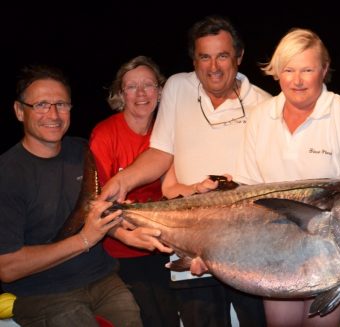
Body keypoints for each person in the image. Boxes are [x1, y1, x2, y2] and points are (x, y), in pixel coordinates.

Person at [99, 16, 270, 326]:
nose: (213, 66)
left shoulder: (266, 105)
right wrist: (122, 180)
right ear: (194, 60)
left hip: (247, 247)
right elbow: (161, 152)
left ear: (239, 56)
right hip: (189, 241)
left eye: (223, 55)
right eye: (204, 56)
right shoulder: (178, 87)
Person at [235, 28, 340, 327]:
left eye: (307, 70)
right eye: (288, 70)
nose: (297, 80)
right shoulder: (260, 117)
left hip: (330, 253)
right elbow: (246, 192)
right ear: (276, 72)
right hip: (273, 249)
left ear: (323, 70)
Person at [0, 64, 143, 326]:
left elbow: (98, 209)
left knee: (132, 314)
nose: (53, 114)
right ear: (20, 111)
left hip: (101, 279)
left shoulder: (81, 151)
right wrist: (85, 239)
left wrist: (129, 226)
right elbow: (7, 268)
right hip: (43, 292)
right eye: (41, 105)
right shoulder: (7, 175)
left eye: (61, 104)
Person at [89, 55, 180, 326]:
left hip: (164, 245)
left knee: (171, 317)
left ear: (160, 91)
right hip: (118, 251)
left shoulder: (168, 133)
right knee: (145, 316)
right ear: (120, 94)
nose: (141, 94)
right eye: (131, 87)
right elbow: (95, 202)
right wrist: (126, 235)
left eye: (148, 85)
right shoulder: (105, 135)